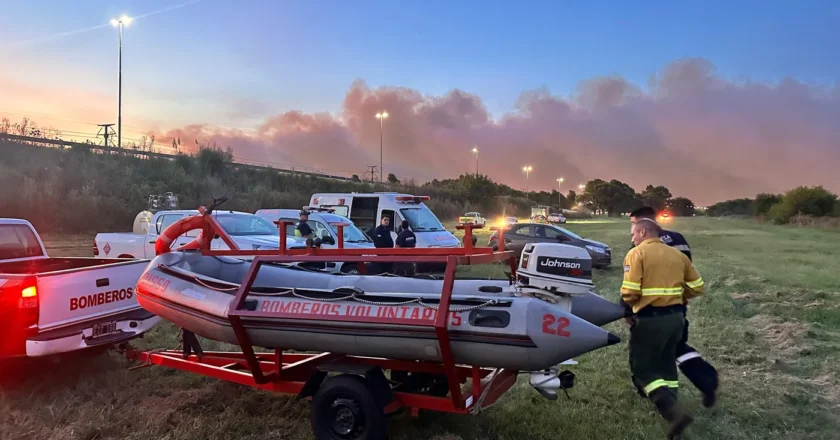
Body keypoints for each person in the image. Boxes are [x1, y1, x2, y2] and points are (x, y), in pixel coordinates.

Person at [622, 217, 705, 439]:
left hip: (650, 320)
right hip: (676, 318)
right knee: (667, 363)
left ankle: (674, 413)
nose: (632, 239)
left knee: (643, 369)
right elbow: (698, 287)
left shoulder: (636, 254)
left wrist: (629, 309)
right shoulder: (677, 255)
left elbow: (630, 291)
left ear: (642, 232)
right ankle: (672, 401)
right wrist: (678, 295)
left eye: (633, 234)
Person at [629, 206, 718, 408]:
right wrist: (680, 295)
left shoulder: (640, 247)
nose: (632, 231)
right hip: (676, 307)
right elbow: (689, 272)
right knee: (677, 346)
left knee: (642, 354)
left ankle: (650, 391)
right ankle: (706, 380)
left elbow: (634, 283)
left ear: (643, 225)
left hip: (648, 312)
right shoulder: (678, 239)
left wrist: (627, 309)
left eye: (633, 224)